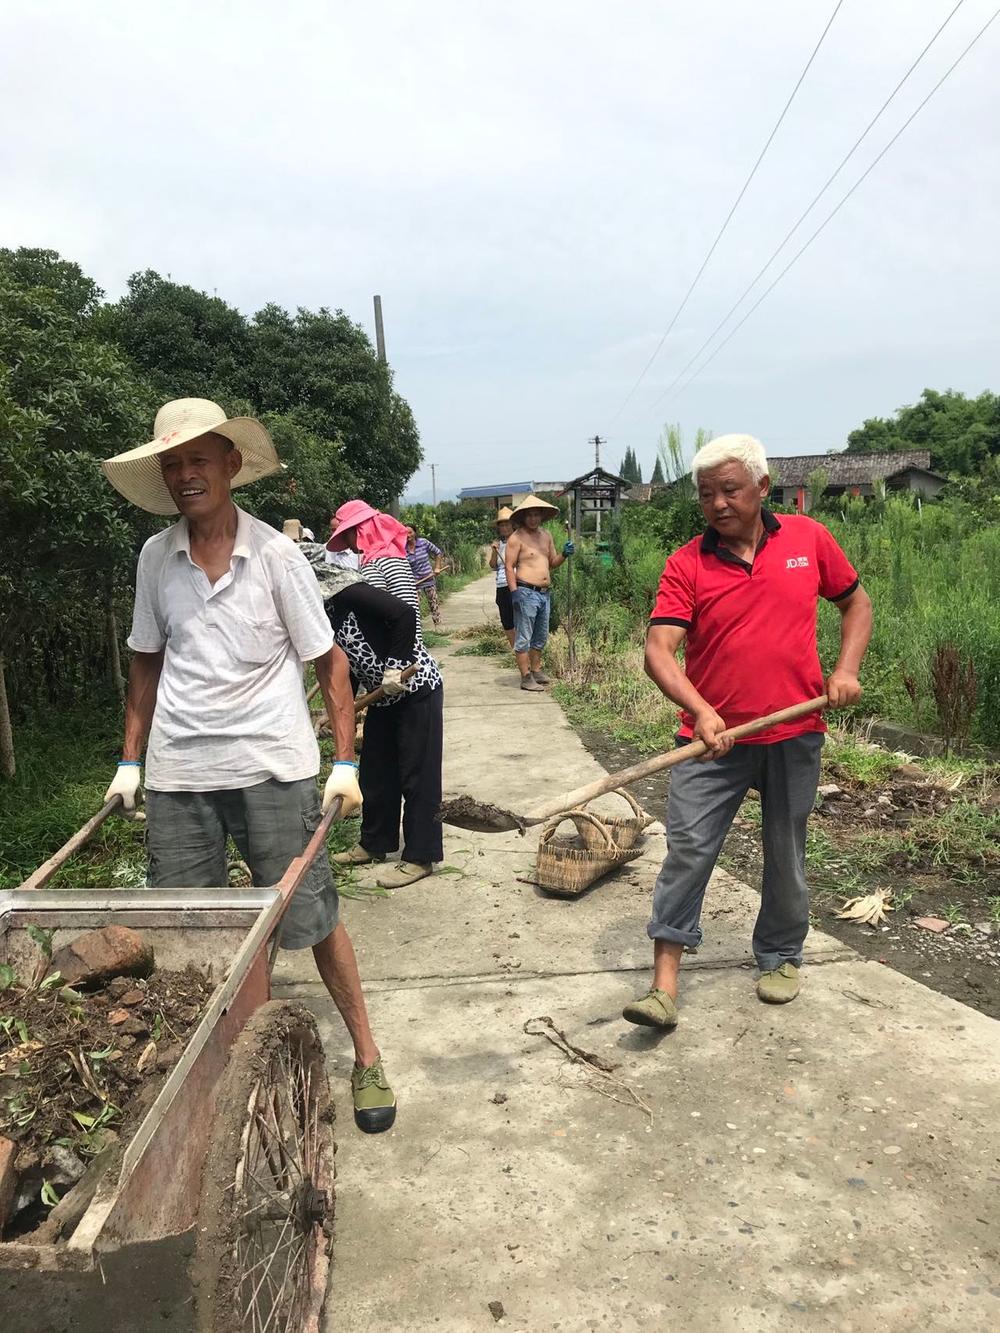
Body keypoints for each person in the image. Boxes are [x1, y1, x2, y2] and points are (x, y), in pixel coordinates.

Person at [99, 397, 396, 1133]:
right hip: (179, 777)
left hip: (272, 764)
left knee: (313, 916)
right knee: (190, 935)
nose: (186, 474)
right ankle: (217, 1077)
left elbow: (327, 661)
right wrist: (129, 760)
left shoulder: (276, 555)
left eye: (199, 459)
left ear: (232, 464)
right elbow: (145, 664)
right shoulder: (154, 559)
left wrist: (346, 761)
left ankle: (366, 1054)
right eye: (173, 464)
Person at [622, 434, 872, 1029]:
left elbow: (855, 604)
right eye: (707, 494)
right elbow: (659, 649)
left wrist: (846, 670)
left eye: (730, 490)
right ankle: (664, 984)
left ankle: (781, 954)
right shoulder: (687, 562)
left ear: (762, 487)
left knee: (785, 849)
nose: (718, 504)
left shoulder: (809, 541)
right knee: (688, 850)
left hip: (794, 730)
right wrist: (702, 710)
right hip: (711, 743)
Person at [299, 542, 444, 889]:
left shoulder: (350, 592)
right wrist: (339, 709)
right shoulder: (321, 611)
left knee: (417, 775)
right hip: (380, 697)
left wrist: (394, 668)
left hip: (415, 687)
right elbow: (343, 663)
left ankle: (421, 856)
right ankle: (374, 843)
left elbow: (404, 615)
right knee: (377, 773)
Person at [503, 494, 574, 692]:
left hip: (544, 593)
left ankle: (535, 670)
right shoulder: (516, 538)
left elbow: (552, 563)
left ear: (541, 516)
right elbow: (509, 567)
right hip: (526, 591)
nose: (533, 519)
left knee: (540, 635)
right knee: (524, 635)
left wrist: (564, 555)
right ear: (523, 517)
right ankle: (525, 677)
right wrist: (514, 592)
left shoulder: (546, 536)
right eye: (530, 515)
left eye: (537, 515)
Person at [404, 526, 444, 628]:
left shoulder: (423, 542)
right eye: (405, 533)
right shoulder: (402, 548)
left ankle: (438, 626)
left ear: (415, 533)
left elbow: (438, 552)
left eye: (410, 532)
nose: (408, 535)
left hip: (428, 578)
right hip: (414, 582)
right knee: (414, 605)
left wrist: (437, 567)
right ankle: (417, 628)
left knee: (433, 603)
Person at [489, 506, 516, 651]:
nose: (504, 527)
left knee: (519, 619)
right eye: (502, 525)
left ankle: (523, 651)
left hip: (516, 584)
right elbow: (493, 565)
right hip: (501, 585)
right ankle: (516, 651)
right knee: (507, 622)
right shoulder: (499, 544)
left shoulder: (519, 541)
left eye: (507, 524)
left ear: (513, 525)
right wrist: (494, 551)